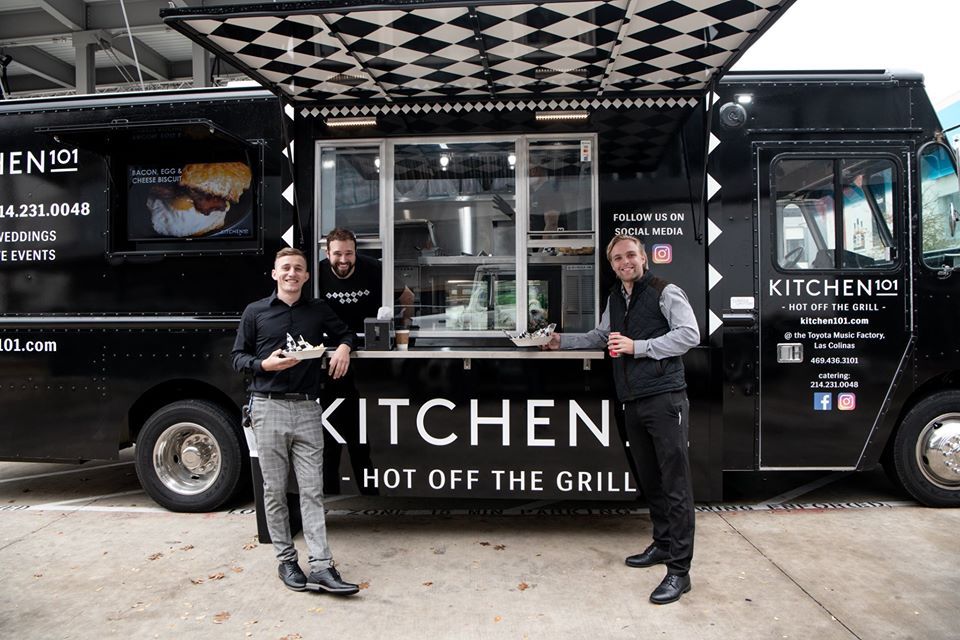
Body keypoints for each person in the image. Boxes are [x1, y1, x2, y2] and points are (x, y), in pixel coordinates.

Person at [545, 234, 699, 605]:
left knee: (675, 484)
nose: (624, 262)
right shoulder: (616, 297)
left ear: (643, 258)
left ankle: (680, 571)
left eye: (630, 255)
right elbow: (600, 336)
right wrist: (559, 343)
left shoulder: (665, 291)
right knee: (651, 480)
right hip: (632, 401)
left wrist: (639, 347)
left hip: (665, 400)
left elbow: (690, 334)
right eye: (617, 259)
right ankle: (662, 545)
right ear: (611, 264)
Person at [232, 247, 359, 595]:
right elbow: (237, 357)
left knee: (312, 491)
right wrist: (264, 365)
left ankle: (320, 565)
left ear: (306, 276)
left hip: (306, 408)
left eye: (298, 269)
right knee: (274, 490)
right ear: (275, 273)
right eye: (285, 268)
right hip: (267, 407)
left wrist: (345, 348)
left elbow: (346, 334)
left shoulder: (317, 310)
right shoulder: (255, 312)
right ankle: (286, 560)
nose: (292, 273)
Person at [315, 227, 384, 495]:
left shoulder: (373, 268)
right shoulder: (316, 273)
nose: (343, 260)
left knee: (360, 437)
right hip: (328, 362)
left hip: (364, 361)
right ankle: (330, 494)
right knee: (328, 439)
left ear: (356, 252)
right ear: (326, 252)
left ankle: (371, 496)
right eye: (337, 254)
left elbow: (406, 298)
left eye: (349, 253)